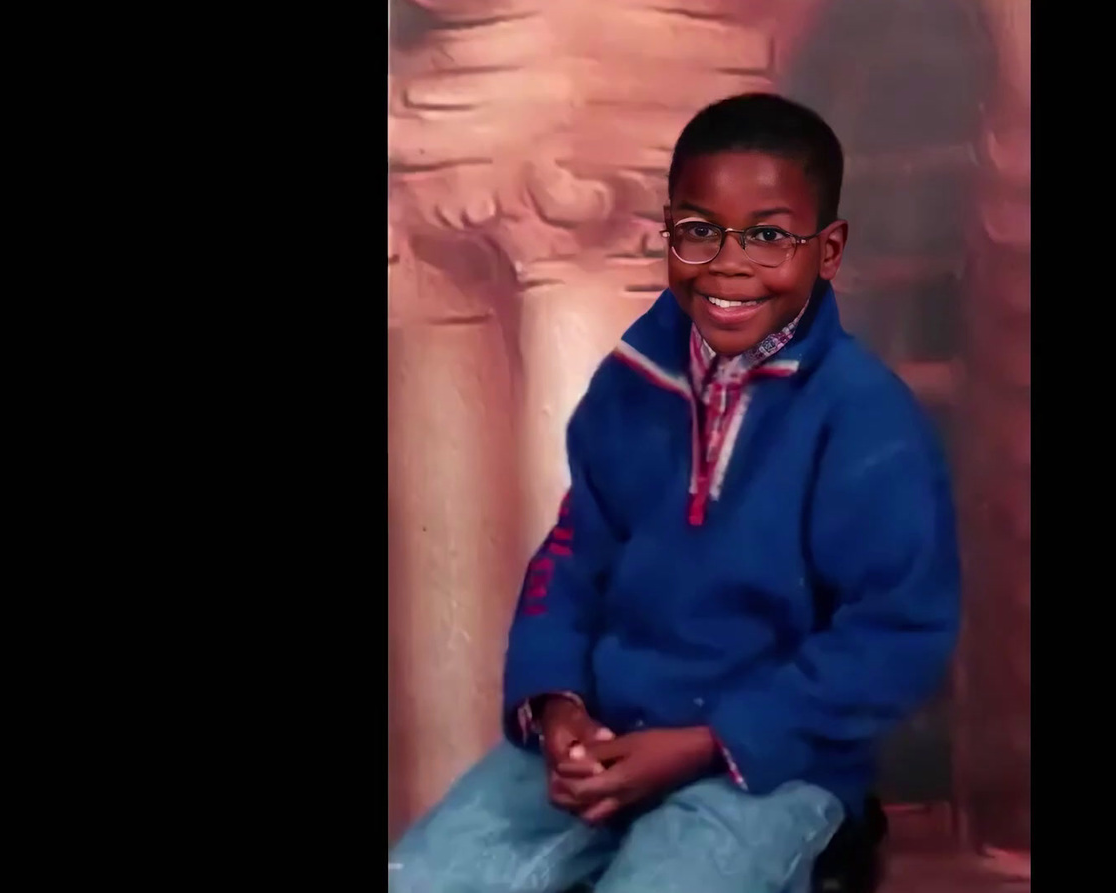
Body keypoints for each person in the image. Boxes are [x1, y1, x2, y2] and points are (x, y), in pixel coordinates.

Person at [389, 92, 961, 893]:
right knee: (423, 878)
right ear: (667, 231)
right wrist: (557, 709)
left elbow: (893, 639)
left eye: (768, 235)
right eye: (698, 230)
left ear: (828, 250)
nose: (728, 262)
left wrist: (705, 740)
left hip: (771, 759)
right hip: (610, 734)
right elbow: (572, 557)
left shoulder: (866, 420)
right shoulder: (633, 384)